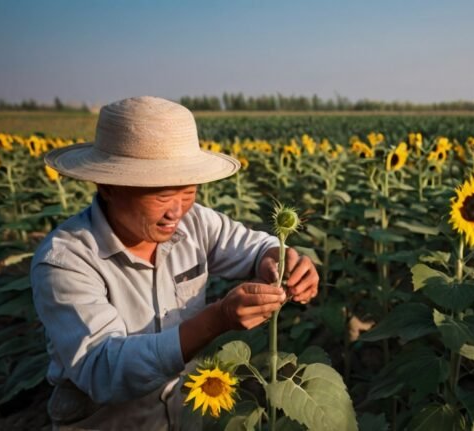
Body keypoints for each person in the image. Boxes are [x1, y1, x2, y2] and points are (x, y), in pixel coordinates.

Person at [30, 96, 318, 430]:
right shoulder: (67, 260)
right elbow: (103, 369)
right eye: (162, 195)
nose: (177, 210)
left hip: (187, 416)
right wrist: (216, 319)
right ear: (108, 186)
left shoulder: (193, 222)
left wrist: (278, 259)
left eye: (189, 192)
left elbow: (251, 246)